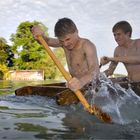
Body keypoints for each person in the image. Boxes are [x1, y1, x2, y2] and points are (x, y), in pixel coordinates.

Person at [32, 18, 99, 92]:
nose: (65, 44)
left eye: (68, 39)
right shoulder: (63, 43)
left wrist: (81, 82)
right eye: (61, 41)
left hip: (92, 88)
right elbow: (46, 41)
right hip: (77, 87)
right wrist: (40, 35)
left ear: (76, 32)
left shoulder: (87, 45)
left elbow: (95, 70)